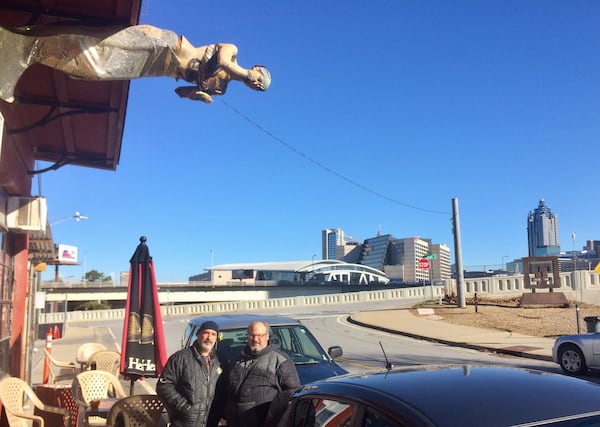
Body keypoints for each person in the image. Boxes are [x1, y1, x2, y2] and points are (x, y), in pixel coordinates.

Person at [0, 24, 271, 103]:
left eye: (258, 86)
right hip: (165, 45)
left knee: (94, 69)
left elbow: (180, 91)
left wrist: (196, 95)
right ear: (256, 68)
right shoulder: (232, 54)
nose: (256, 82)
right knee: (101, 44)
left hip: (158, 68)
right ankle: (22, 43)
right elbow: (222, 60)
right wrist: (244, 73)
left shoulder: (220, 90)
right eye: (259, 76)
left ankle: (27, 56)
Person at [223, 321, 301, 427]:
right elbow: (226, 389)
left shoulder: (280, 361)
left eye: (259, 335)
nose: (255, 340)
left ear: (267, 336)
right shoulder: (236, 359)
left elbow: (293, 395)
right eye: (252, 335)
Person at [157, 320, 225, 427]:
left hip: (211, 421)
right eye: (206, 333)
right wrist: (184, 407)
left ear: (216, 338)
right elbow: (164, 385)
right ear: (198, 335)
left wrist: (223, 414)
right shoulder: (180, 358)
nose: (209, 338)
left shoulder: (220, 361)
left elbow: (224, 390)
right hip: (185, 422)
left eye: (213, 334)